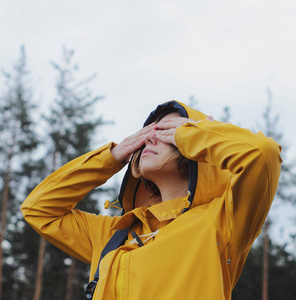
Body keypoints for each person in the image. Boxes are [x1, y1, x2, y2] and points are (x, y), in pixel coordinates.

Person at [21, 100, 282, 300]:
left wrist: (197, 132)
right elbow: (38, 209)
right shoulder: (113, 234)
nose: (150, 138)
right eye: (149, 131)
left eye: (167, 130)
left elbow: (262, 155)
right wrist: (110, 157)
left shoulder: (221, 222)